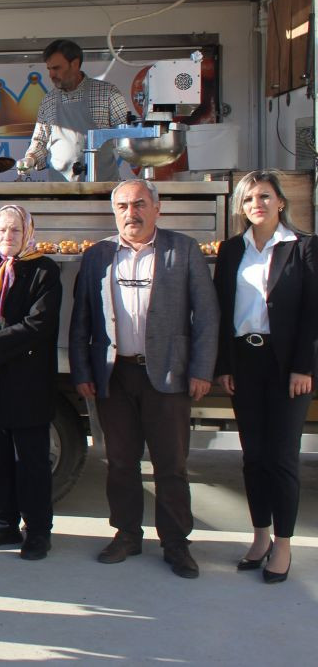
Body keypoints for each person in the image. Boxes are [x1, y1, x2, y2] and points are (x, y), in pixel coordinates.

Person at [69, 178, 218, 579]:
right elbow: (82, 317)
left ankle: (176, 543)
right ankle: (127, 535)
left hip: (168, 375)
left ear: (157, 208)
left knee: (172, 465)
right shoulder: (98, 255)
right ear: (113, 212)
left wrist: (202, 370)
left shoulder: (182, 250)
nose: (130, 213)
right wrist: (83, 370)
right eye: (122, 206)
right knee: (120, 462)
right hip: (114, 377)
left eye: (138, 204)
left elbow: (206, 315)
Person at [211, 170, 317, 584]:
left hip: (286, 365)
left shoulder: (302, 247)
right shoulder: (232, 250)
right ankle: (259, 537)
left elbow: (313, 313)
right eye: (250, 198)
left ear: (281, 202)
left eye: (266, 196)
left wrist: (303, 367)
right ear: (241, 207)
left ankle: (284, 544)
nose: (259, 204)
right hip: (245, 361)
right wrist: (224, 365)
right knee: (253, 456)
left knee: (282, 457)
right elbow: (221, 311)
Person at [0, 205, 62, 561]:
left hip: (27, 382)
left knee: (31, 462)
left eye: (15, 231)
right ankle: (2, 523)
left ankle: (37, 531)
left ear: (28, 232)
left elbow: (39, 325)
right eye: (2, 230)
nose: (7, 236)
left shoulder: (44, 271)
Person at [20, 39, 132, 181]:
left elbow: (127, 135)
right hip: (60, 189)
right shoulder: (48, 100)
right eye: (49, 69)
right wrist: (30, 158)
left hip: (102, 186)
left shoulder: (107, 92)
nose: (51, 75)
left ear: (74, 64)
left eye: (56, 68)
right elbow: (40, 141)